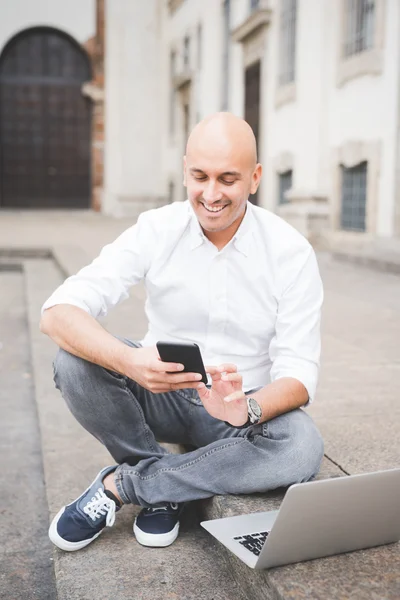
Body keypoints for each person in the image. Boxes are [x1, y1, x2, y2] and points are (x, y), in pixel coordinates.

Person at [41, 112, 324, 553]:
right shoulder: (156, 229)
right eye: (200, 176)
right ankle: (163, 482)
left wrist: (245, 407)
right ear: (185, 171)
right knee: (72, 361)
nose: (211, 194)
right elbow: (58, 312)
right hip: (163, 391)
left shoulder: (291, 252)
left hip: (238, 415)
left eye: (228, 179)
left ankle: (133, 484)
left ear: (255, 178)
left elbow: (299, 375)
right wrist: (130, 360)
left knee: (301, 448)